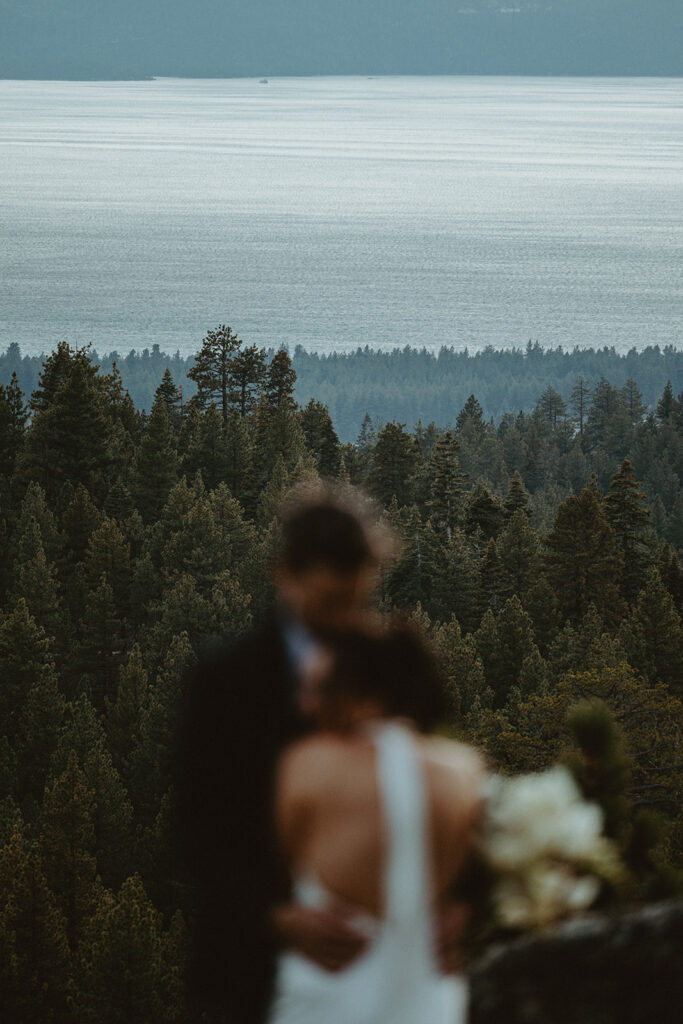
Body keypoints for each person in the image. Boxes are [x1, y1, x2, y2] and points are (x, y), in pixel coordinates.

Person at [175, 485, 394, 1023]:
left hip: (370, 968)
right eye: (329, 603)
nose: (344, 622)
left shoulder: (390, 671)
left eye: (356, 602)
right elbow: (195, 830)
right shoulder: (225, 680)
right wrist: (276, 917)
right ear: (285, 575)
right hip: (248, 972)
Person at [268, 626, 485, 1024]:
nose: (307, 704)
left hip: (330, 996)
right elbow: (476, 880)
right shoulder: (465, 771)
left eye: (325, 689)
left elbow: (263, 868)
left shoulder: (309, 766)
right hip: (430, 996)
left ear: (366, 698)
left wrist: (279, 918)